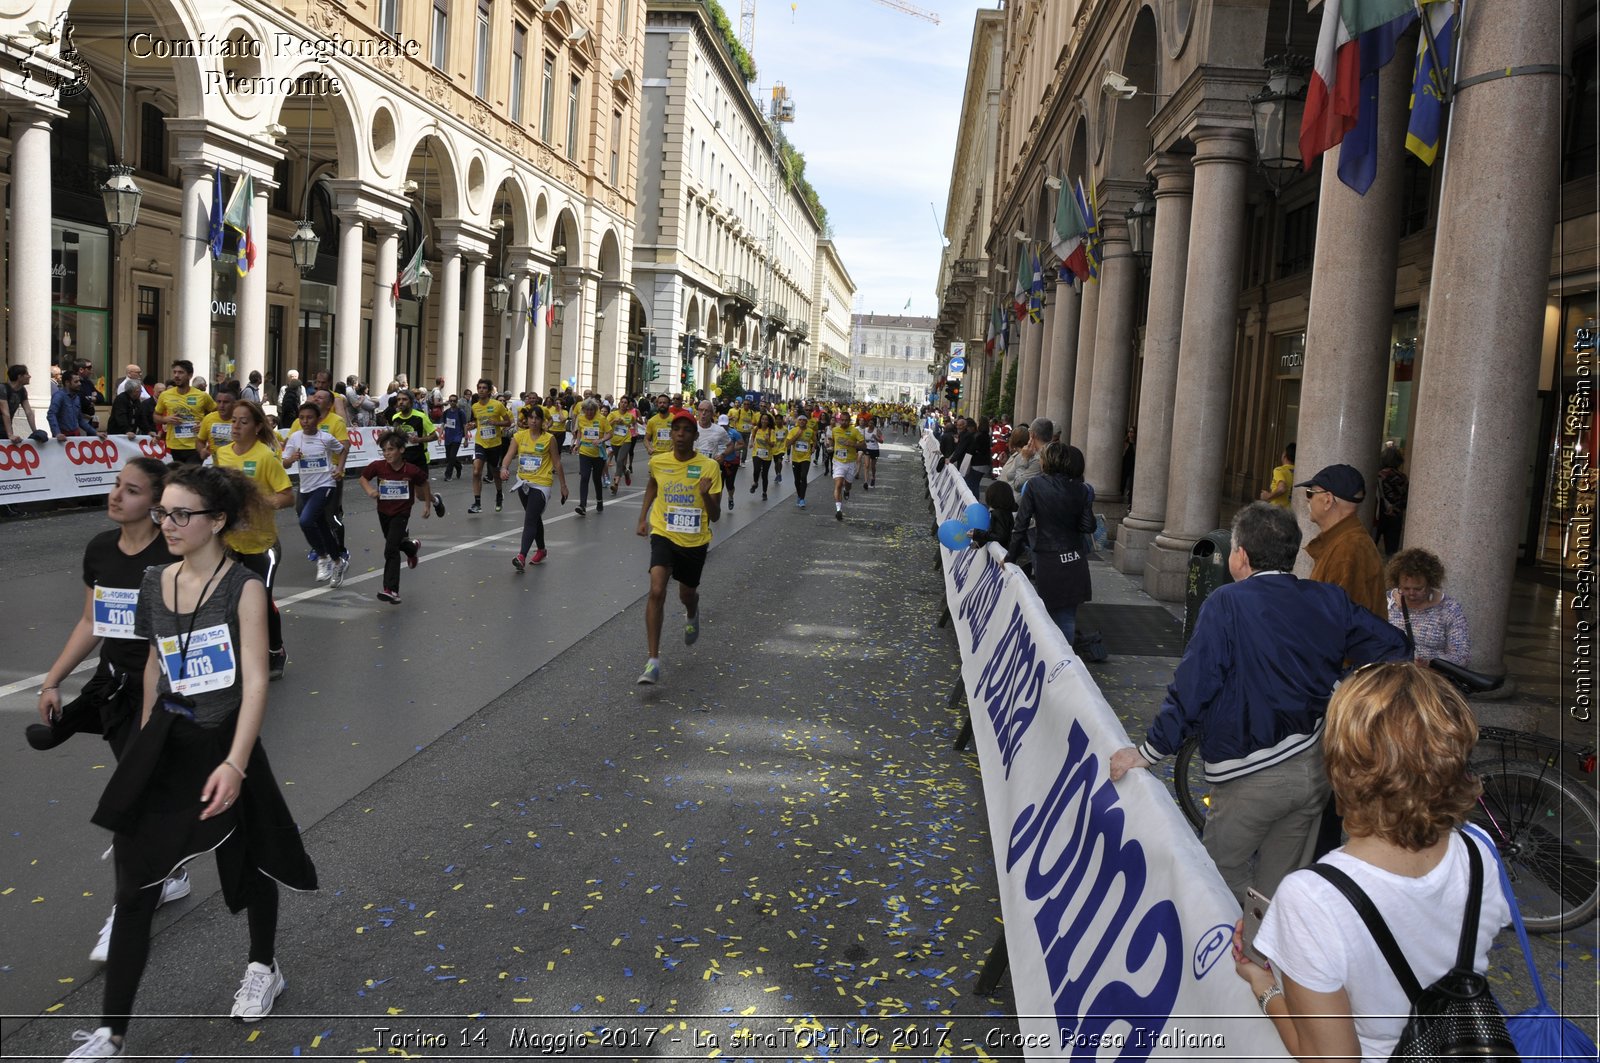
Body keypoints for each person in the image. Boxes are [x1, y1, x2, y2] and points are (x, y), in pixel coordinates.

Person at [64, 464, 317, 1060]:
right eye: (163, 512)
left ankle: (263, 967)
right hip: (170, 743)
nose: (168, 524)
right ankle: (111, 1032)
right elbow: (155, 661)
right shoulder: (155, 581)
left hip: (226, 745)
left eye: (182, 515)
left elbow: (255, 683)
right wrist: (146, 740)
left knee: (249, 861)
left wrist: (234, 764)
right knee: (136, 881)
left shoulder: (244, 587)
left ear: (218, 521)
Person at [1108, 502, 1410, 907]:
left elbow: (1194, 684)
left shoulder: (1227, 603)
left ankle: (1229, 963)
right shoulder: (1328, 599)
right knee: (1275, 892)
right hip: (1314, 769)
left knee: (1213, 883)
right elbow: (1395, 647)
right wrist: (1343, 689)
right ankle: (1263, 962)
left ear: (1241, 556)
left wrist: (1150, 751)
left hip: (1249, 772)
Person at [1236, 662, 1509, 1063]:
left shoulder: (1312, 897)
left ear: (1342, 763)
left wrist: (1264, 984)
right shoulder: (1479, 850)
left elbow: (1330, 1059)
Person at [27, 458, 189, 965]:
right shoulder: (100, 549)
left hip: (167, 690)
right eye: (117, 485)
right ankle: (171, 873)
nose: (116, 495)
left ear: (157, 504)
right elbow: (92, 623)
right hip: (116, 688)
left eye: (132, 490)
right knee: (141, 790)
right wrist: (54, 680)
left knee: (136, 797)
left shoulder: (173, 553)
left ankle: (130, 905)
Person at [635, 407, 722, 685]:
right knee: (657, 589)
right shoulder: (658, 462)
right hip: (663, 532)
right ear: (671, 434)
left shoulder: (710, 467)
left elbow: (716, 515)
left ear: (696, 436)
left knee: (686, 594)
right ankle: (653, 661)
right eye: (677, 429)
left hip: (694, 540)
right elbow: (653, 485)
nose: (681, 434)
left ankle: (693, 611)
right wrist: (643, 517)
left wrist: (706, 495)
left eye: (687, 430)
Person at [212, 401, 295, 679]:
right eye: (233, 421)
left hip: (263, 545)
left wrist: (261, 501)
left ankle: (276, 649)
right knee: (226, 600)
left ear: (258, 426)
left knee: (261, 600)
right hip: (230, 544)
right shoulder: (221, 454)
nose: (235, 426)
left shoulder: (265, 457)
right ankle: (237, 652)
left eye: (243, 421)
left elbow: (287, 496)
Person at [1005, 443, 1093, 643]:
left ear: (1050, 461)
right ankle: (1066, 664)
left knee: (1046, 616)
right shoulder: (1081, 489)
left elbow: (1021, 525)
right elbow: (1088, 527)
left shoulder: (1035, 485)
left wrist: (1011, 556)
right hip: (1075, 558)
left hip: (1049, 558)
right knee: (1067, 617)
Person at [1300, 463, 1387, 618]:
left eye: (1310, 493)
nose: (1308, 500)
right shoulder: (1343, 541)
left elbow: (1343, 623)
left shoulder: (1349, 549)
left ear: (1328, 500)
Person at [359, 431, 433, 604]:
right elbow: (363, 478)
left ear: (401, 450)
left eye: (390, 449)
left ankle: (391, 590)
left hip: (401, 513)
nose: (387, 454)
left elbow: (425, 484)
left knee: (390, 549)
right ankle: (411, 548)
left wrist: (427, 505)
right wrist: (370, 490)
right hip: (384, 512)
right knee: (395, 542)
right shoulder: (378, 466)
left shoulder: (412, 470)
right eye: (384, 450)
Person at [279, 403, 348, 583]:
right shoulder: (295, 438)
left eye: (309, 417)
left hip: (326, 484)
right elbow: (285, 463)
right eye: (302, 418)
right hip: (306, 488)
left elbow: (342, 450)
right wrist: (292, 459)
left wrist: (339, 469)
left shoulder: (326, 438)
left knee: (306, 520)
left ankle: (323, 557)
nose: (305, 421)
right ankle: (338, 561)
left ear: (318, 419)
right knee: (322, 526)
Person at [501, 405, 569, 570]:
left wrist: (563, 486)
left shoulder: (549, 439)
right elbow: (509, 456)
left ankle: (521, 556)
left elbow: (557, 462)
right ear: (526, 419)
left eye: (537, 418)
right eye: (531, 417)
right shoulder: (519, 436)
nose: (533, 421)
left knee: (530, 519)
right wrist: (504, 468)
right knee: (534, 517)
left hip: (541, 484)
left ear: (542, 421)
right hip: (523, 483)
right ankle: (541, 549)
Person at [1385, 548, 1470, 666]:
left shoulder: (1449, 608)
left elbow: (1461, 656)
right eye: (1405, 588)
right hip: (1391, 671)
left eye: (1418, 589)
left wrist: (1430, 662)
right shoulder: (1388, 603)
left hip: (1431, 677)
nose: (1411, 593)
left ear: (1430, 583)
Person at [387, 390, 444, 517]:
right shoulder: (395, 418)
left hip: (419, 458)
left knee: (421, 495)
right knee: (402, 492)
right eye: (399, 399)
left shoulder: (420, 416)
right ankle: (401, 519)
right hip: (403, 459)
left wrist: (419, 440)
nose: (401, 402)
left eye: (404, 399)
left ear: (411, 402)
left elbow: (435, 436)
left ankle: (436, 501)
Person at [153, 361, 216, 465]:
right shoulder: (165, 395)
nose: (176, 376)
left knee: (190, 476)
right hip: (175, 445)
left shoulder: (202, 396)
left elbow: (216, 412)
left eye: (181, 372)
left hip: (196, 445)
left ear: (190, 375)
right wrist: (165, 419)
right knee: (179, 477)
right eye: (175, 372)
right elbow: (155, 416)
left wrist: (204, 424)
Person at [468, 380, 512, 514]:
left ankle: (499, 494)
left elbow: (508, 422)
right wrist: (473, 425)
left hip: (494, 444)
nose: (481, 390)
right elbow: (476, 422)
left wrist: (497, 423)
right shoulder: (475, 406)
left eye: (484, 388)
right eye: (479, 388)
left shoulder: (497, 405)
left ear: (488, 391)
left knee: (495, 473)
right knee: (476, 471)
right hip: (480, 443)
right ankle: (477, 503)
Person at [571, 398, 608, 516]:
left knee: (596, 479)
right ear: (584, 410)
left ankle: (599, 500)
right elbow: (580, 433)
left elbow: (609, 433)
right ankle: (582, 505)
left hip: (598, 454)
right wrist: (577, 444)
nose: (590, 412)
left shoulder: (601, 419)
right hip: (584, 452)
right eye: (587, 410)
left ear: (596, 410)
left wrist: (601, 440)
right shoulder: (581, 418)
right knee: (584, 477)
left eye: (592, 410)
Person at [829, 411, 866, 522]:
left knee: (848, 485)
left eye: (846, 420)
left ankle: (847, 490)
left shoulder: (855, 431)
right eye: (842, 420)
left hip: (850, 462)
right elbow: (832, 441)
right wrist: (830, 445)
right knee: (838, 484)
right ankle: (838, 510)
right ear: (839, 420)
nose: (844, 422)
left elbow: (864, 445)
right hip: (838, 461)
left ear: (849, 421)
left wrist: (853, 444)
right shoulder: (835, 430)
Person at [1373, 445, 1409, 555]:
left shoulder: (1379, 475)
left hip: (1380, 515)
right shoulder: (1403, 477)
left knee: (1371, 548)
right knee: (1392, 552)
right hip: (1396, 516)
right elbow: (1405, 499)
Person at [195, 383, 239, 464]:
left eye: (226, 402)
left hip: (236, 466)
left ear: (234, 403)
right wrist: (202, 451)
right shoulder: (208, 418)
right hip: (216, 467)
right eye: (219, 402)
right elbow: (200, 441)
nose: (221, 405)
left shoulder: (241, 419)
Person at [2, 363, 45, 442]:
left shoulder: (22, 391)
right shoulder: (3, 389)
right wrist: (10, 434)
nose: (29, 376)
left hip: (4, 429)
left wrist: (35, 432)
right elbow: (5, 413)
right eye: (27, 374)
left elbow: (29, 412)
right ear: (19, 377)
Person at [785, 413, 818, 509]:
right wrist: (797, 435)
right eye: (800, 420)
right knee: (796, 480)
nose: (802, 421)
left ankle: (802, 499)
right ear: (797, 421)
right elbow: (787, 444)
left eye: (804, 420)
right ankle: (799, 495)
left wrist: (813, 448)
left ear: (806, 422)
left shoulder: (810, 431)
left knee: (803, 477)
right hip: (795, 458)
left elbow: (815, 440)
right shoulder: (793, 430)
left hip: (805, 458)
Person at [748, 413, 778, 501]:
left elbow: (772, 444)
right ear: (760, 420)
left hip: (767, 455)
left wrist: (767, 441)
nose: (764, 421)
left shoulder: (771, 431)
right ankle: (755, 483)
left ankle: (764, 492)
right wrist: (751, 443)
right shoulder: (756, 429)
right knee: (756, 469)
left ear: (768, 422)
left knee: (765, 474)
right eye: (762, 419)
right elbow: (753, 436)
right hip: (756, 453)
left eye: (766, 419)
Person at [1259, 442, 1295, 508]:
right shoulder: (1297, 471)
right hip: (1290, 511)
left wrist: (1268, 496)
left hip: (1278, 510)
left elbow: (1282, 488)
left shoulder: (1280, 470)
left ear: (1285, 455)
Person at [440, 396, 467, 481]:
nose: (452, 402)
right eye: (451, 401)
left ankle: (448, 475)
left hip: (457, 437)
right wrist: (440, 435)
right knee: (449, 457)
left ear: (457, 402)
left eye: (454, 401)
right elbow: (443, 424)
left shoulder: (460, 412)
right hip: (448, 437)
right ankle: (458, 466)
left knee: (452, 456)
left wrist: (466, 439)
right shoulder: (446, 412)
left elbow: (464, 425)